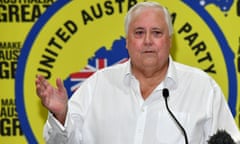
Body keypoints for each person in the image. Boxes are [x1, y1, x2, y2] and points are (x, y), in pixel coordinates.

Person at [36, 1, 240, 144]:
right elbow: (60, 142)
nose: (148, 41)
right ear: (127, 42)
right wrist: (61, 115)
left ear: (170, 41)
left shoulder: (203, 88)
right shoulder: (98, 84)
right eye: (139, 33)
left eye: (157, 33)